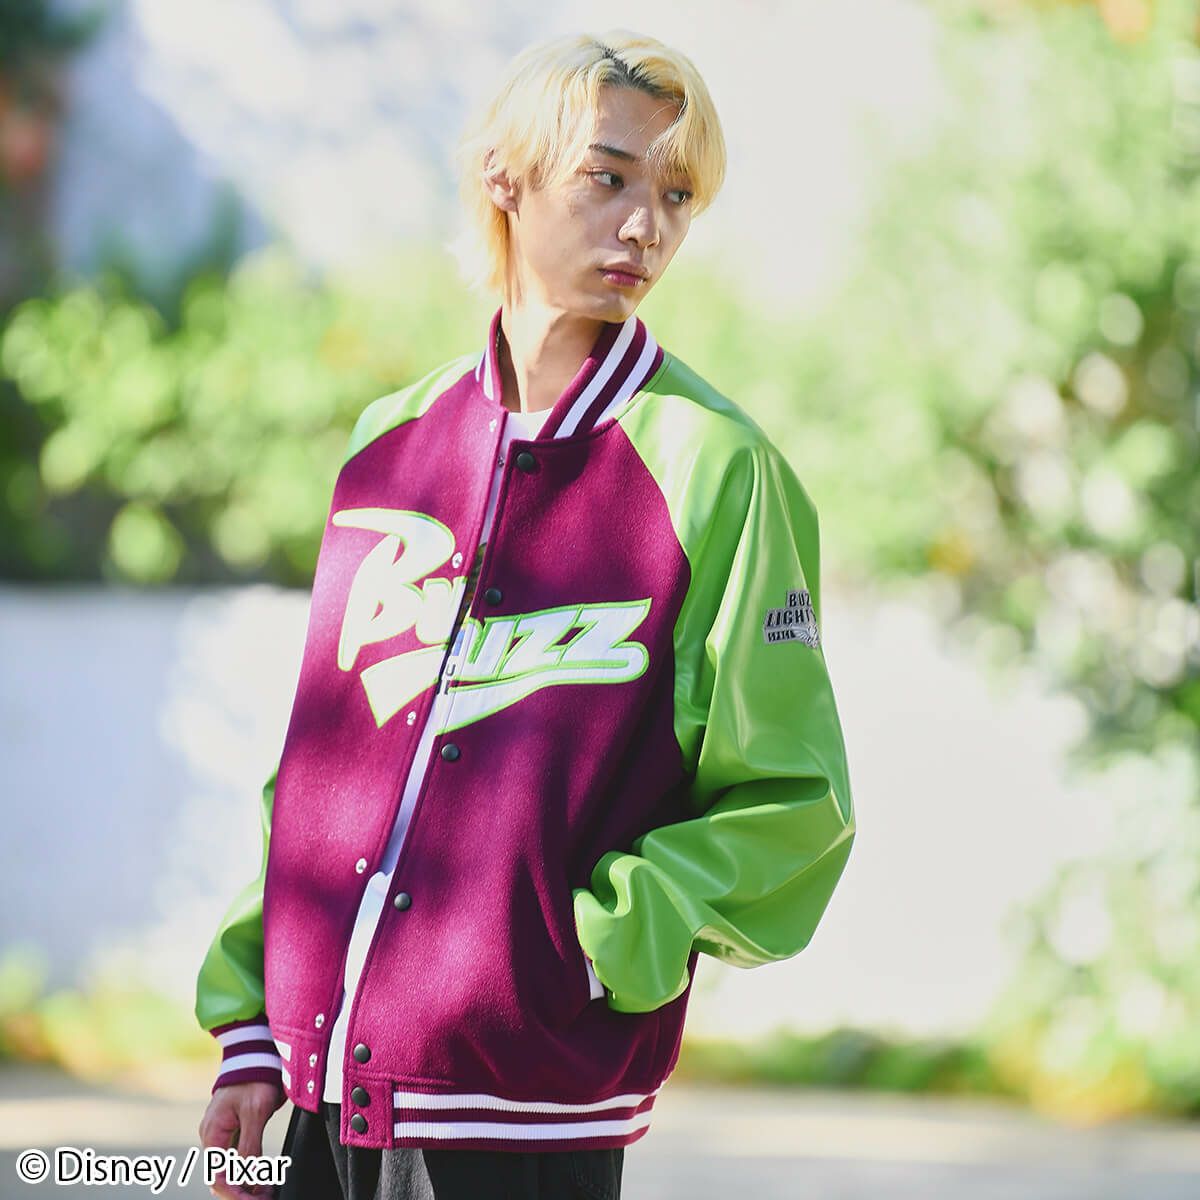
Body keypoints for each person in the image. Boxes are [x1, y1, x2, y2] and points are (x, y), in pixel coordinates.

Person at [195, 27, 855, 1200]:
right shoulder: (387, 448)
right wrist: (253, 1021)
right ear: (506, 178)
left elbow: (792, 803)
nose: (646, 226)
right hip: (319, 1101)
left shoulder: (716, 469)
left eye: (676, 195)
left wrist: (589, 949)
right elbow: (320, 772)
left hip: (528, 1117)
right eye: (609, 178)